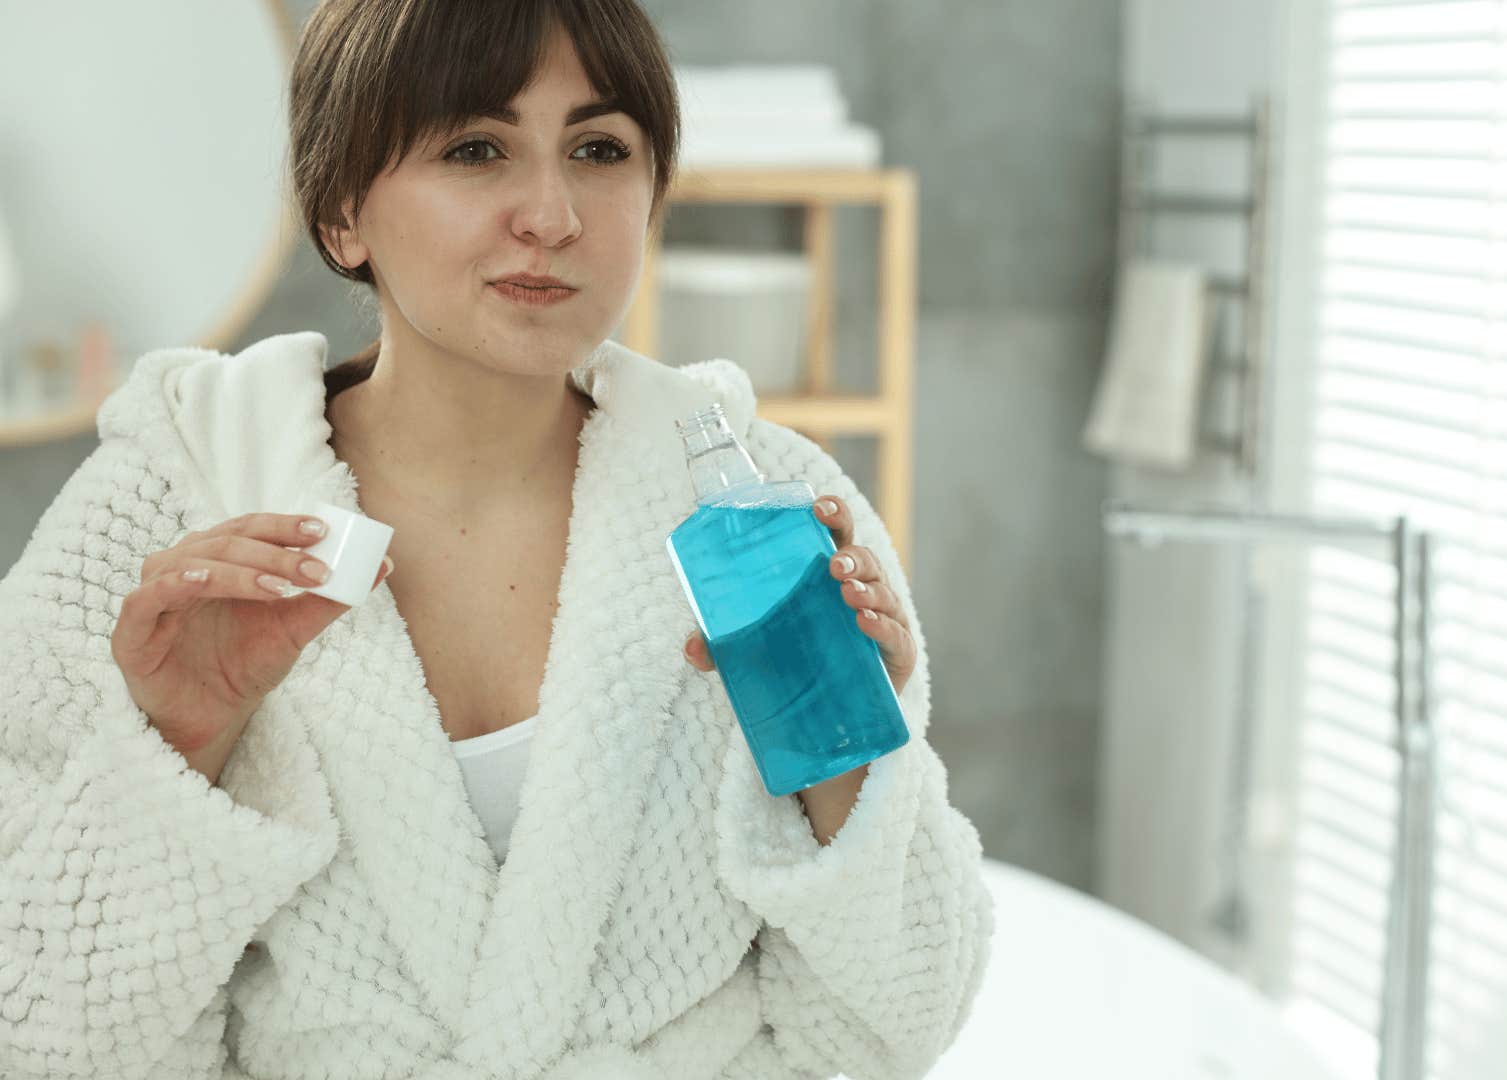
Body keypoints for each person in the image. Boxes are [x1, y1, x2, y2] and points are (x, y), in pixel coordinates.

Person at [0, 1, 993, 1077]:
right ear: (342, 214)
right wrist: (178, 744)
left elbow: (899, 1025)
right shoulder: (172, 503)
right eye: (478, 149)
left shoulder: (768, 513)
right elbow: (42, 1035)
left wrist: (852, 763)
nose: (553, 214)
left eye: (600, 150)